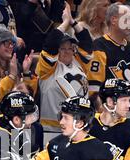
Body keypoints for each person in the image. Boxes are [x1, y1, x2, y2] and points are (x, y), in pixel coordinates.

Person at [36, 2, 92, 135]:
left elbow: (87, 43)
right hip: (52, 130)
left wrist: (73, 21)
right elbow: (50, 44)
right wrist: (65, 22)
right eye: (62, 48)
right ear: (57, 50)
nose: (67, 52)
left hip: (79, 128)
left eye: (70, 48)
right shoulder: (48, 69)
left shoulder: (80, 65)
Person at [88, 2, 130, 119]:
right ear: (114, 20)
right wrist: (106, 117)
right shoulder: (100, 46)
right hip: (109, 117)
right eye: (126, 19)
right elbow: (94, 90)